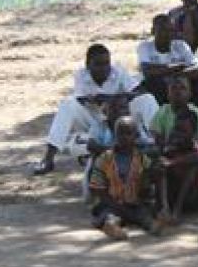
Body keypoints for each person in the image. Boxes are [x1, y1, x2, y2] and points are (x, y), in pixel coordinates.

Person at [36, 44, 160, 175]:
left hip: (121, 118)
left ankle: (161, 142)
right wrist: (96, 100)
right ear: (88, 65)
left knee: (146, 98)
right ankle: (48, 158)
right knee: (67, 104)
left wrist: (112, 98)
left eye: (107, 63)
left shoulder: (118, 71)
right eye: (98, 64)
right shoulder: (81, 75)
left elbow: (138, 91)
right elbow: (81, 99)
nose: (104, 68)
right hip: (93, 121)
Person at [87, 117, 162, 239]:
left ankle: (152, 225)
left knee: (144, 215)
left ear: (136, 136)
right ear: (115, 135)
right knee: (110, 215)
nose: (124, 137)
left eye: (128, 133)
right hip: (110, 203)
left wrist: (149, 177)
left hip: (134, 203)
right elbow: (97, 189)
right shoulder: (105, 158)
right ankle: (112, 227)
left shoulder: (142, 159)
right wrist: (117, 206)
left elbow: (146, 188)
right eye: (120, 133)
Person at [138, 14, 198, 113]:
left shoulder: (181, 46)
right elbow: (147, 71)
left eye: (170, 30)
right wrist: (177, 67)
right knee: (154, 83)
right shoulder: (145, 47)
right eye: (162, 30)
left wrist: (175, 76)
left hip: (181, 83)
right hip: (159, 87)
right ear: (153, 31)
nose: (167, 34)